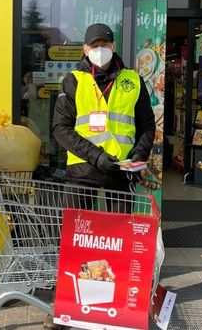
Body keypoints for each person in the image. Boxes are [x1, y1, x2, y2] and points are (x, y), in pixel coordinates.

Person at [43, 23, 155, 328]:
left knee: (120, 242)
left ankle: (115, 306)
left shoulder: (133, 80)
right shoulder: (74, 81)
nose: (100, 49)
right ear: (85, 49)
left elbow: (147, 125)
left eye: (105, 43)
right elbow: (60, 129)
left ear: (114, 46)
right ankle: (68, 305)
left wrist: (138, 157)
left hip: (121, 174)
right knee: (77, 242)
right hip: (83, 172)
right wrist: (96, 156)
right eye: (94, 45)